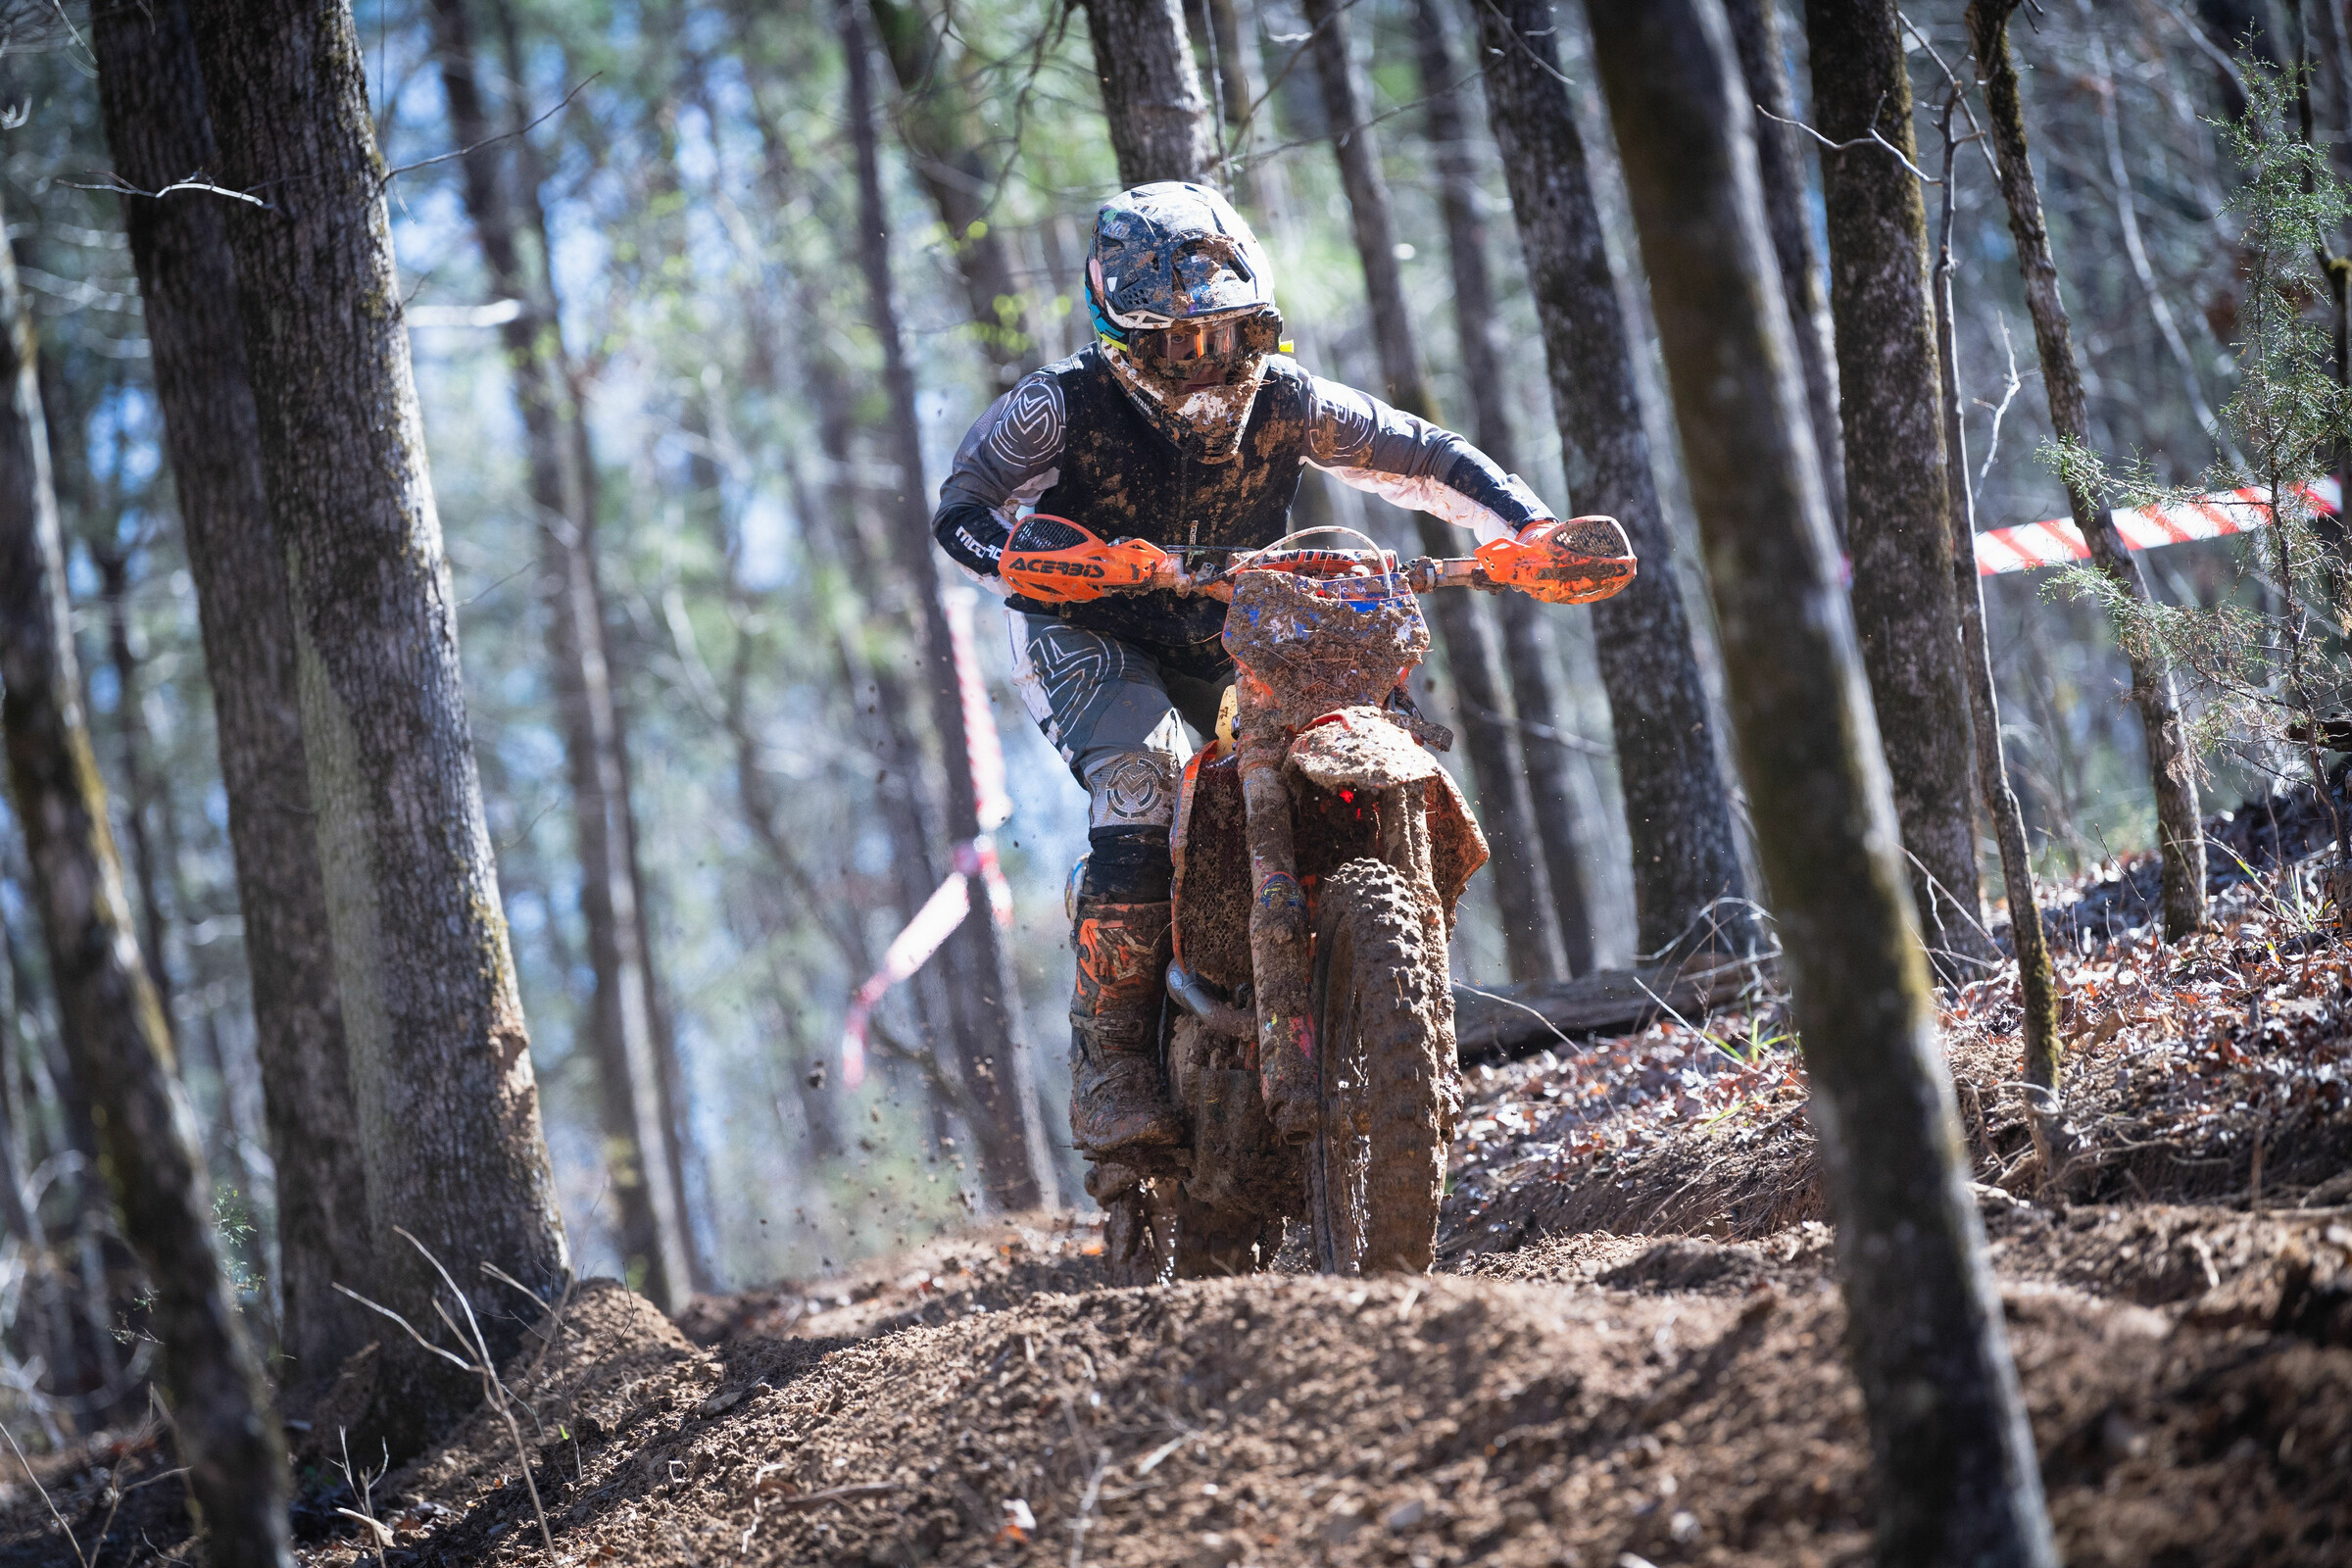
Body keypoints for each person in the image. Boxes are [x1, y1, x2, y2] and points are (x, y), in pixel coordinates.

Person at [931, 181, 1616, 1163]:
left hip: (1237, 621)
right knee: (1140, 786)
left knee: (1368, 727)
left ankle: (1379, 991)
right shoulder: (1057, 407)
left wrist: (1528, 529)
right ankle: (1112, 1059)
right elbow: (961, 506)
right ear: (1124, 336)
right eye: (1178, 340)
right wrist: (1030, 557)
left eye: (1228, 332)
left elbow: (1422, 456)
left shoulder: (1290, 400)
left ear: (1262, 322)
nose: (1208, 360)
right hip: (1090, 631)